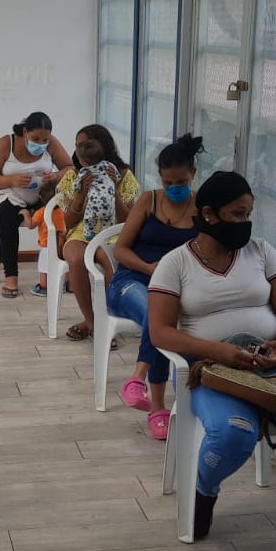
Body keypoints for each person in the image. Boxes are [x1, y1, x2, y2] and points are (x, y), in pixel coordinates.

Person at [148, 170, 276, 551]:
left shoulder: (261, 252)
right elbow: (160, 332)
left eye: (249, 213)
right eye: (237, 214)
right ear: (208, 214)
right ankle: (204, 488)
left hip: (274, 363)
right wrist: (221, 352)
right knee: (234, 434)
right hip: (212, 371)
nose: (245, 223)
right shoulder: (176, 263)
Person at [109, 135, 204, 439]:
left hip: (175, 289)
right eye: (168, 182)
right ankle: (152, 398)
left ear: (193, 174)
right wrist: (150, 268)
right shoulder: (148, 201)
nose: (175, 188)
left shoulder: (202, 208)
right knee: (159, 316)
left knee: (164, 317)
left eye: (181, 182)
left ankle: (143, 385)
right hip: (132, 281)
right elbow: (121, 249)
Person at [56, 124, 140, 341]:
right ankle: (92, 321)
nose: (80, 151)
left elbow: (128, 220)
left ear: (103, 146)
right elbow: (68, 221)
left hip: (113, 231)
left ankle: (107, 320)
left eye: (86, 145)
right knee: (76, 259)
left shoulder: (123, 175)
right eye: (77, 146)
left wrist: (113, 188)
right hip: (81, 230)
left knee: (111, 262)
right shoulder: (73, 175)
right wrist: (81, 193)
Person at [0, 112, 72, 298]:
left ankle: (66, 274)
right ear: (24, 132)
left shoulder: (51, 144)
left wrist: (55, 176)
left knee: (66, 214)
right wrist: (12, 180)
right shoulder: (6, 144)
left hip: (42, 196)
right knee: (6, 217)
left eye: (45, 140)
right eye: (35, 139)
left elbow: (70, 168)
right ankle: (11, 277)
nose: (40, 144)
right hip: (12, 195)